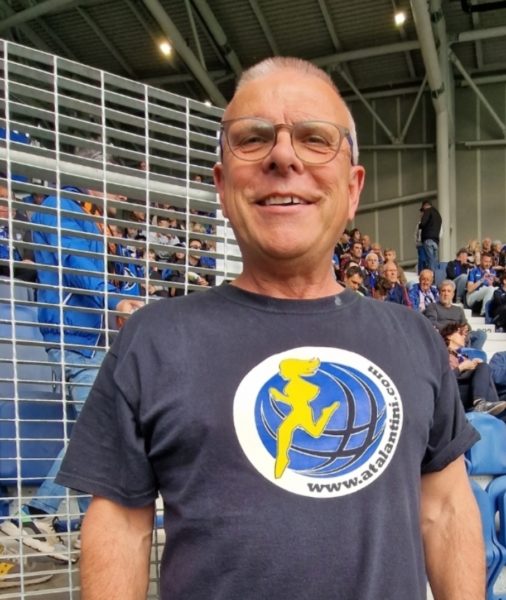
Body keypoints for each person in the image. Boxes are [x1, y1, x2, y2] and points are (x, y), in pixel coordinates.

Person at [55, 57, 484, 600]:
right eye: (254, 139)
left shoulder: (413, 338)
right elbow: (120, 525)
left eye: (315, 138)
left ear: (353, 189)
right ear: (221, 184)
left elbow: (445, 510)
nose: (283, 156)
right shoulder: (154, 340)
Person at [0, 173, 144, 563]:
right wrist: (114, 301)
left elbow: (121, 275)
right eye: (118, 186)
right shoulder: (61, 207)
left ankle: (83, 530)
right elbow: (78, 265)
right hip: (76, 340)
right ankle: (35, 516)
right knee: (98, 433)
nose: (123, 196)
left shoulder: (97, 217)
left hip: (96, 341)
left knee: (87, 430)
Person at [439, 322, 506, 416]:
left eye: (465, 334)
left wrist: (474, 367)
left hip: (465, 390)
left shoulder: (462, 356)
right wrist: (461, 367)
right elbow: (442, 379)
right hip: (451, 392)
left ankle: (488, 408)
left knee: (483, 368)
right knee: (483, 367)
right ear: (449, 336)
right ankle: (481, 404)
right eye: (460, 333)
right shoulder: (441, 353)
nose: (464, 336)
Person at [424, 279, 486, 350]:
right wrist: (453, 330)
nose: (446, 294)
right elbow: (432, 322)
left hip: (460, 334)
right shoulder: (433, 306)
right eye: (443, 291)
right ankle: (468, 352)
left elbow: (466, 325)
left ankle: (470, 353)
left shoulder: (458, 309)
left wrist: (465, 328)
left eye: (449, 291)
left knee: (481, 334)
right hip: (445, 335)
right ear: (439, 293)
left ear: (453, 295)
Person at [419, 200, 442, 273]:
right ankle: (435, 275)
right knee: (434, 260)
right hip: (436, 241)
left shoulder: (428, 211)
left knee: (430, 260)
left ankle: (431, 276)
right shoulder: (438, 215)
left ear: (425, 206)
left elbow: (423, 223)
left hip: (428, 238)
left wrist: (420, 225)